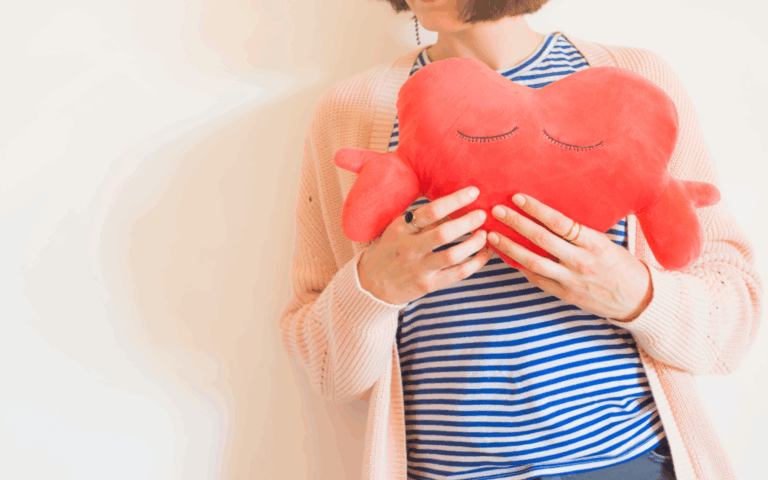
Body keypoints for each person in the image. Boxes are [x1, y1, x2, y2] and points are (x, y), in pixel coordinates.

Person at [278, 1, 764, 479]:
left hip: (627, 464)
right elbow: (328, 371)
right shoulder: (351, 112)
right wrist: (373, 289)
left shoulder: (636, 83)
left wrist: (636, 293)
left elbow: (733, 322)